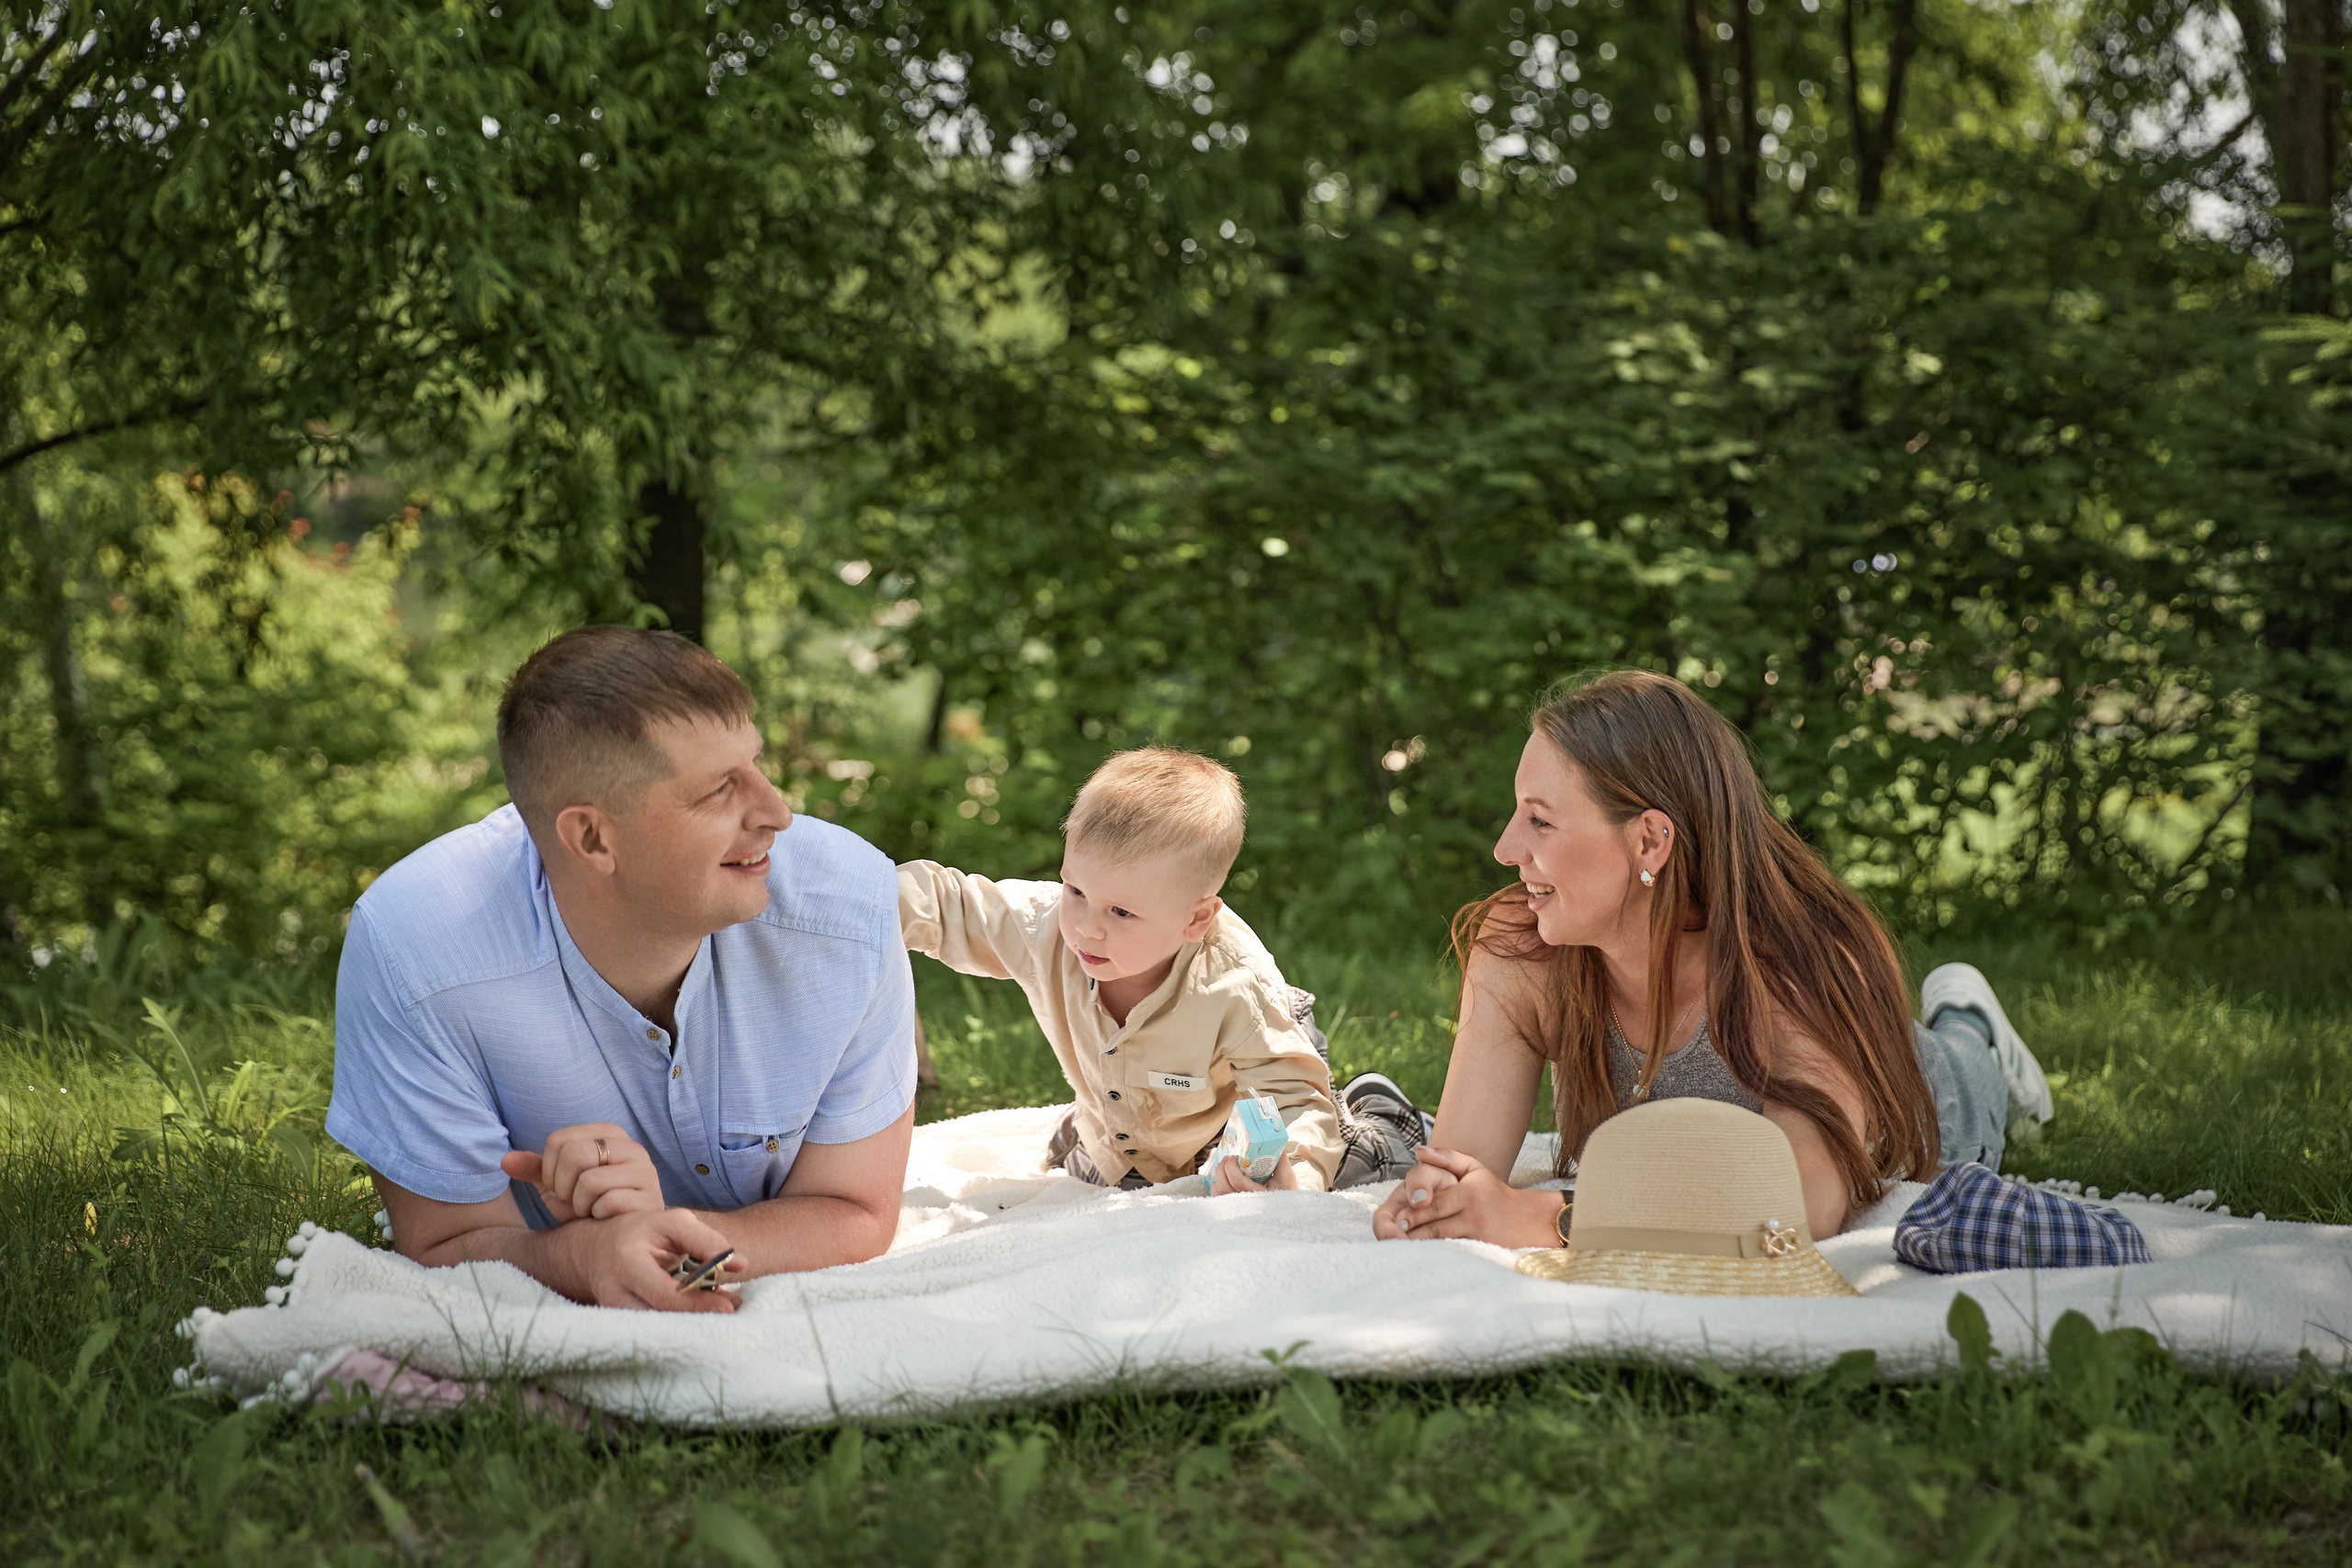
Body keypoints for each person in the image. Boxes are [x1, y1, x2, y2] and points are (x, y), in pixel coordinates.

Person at [327, 627, 918, 1314]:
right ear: (593, 838)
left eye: (755, 765)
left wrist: (671, 1248)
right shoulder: (417, 953)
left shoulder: (846, 913)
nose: (776, 812)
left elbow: (856, 1214)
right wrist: (583, 1255)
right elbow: (440, 1246)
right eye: (721, 790)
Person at [1374, 670, 2050, 1248]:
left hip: (1941, 1107)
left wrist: (1553, 1218)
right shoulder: (1524, 950)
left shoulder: (1793, 964)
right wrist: (1437, 1199)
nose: (1504, 847)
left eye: (1540, 820)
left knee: (1966, 1057)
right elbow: (1459, 1163)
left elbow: (1805, 1204)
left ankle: (1972, 1019)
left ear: (1651, 841)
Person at [897, 746, 1427, 1194]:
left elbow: (1291, 1098)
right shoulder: (1046, 926)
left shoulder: (1236, 983)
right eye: (1076, 891)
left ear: (1196, 918)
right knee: (1091, 1182)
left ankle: (1381, 1115)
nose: (1087, 928)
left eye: (1122, 912)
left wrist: (1295, 1175)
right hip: (1131, 1129)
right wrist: (854, 902)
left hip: (1234, 1113)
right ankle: (1091, 1131)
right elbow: (947, 906)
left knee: (1333, 1168)